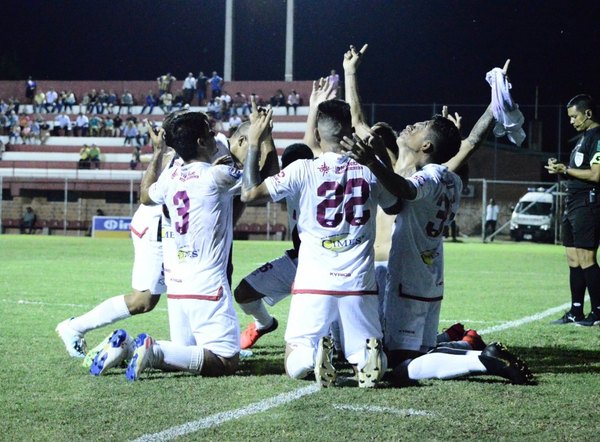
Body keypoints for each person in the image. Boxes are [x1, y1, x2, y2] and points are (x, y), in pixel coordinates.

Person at [343, 46, 532, 385]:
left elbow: (406, 190)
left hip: (408, 279)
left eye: (419, 127)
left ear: (426, 147)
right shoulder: (451, 178)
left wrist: (371, 163)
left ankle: (481, 360)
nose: (411, 126)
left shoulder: (426, 178)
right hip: (431, 279)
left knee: (398, 368)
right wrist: (495, 101)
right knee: (423, 354)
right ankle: (467, 347)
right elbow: (471, 141)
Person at [241, 99, 398, 388]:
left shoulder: (302, 169)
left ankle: (311, 356)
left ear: (315, 133)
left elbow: (249, 194)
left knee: (295, 358)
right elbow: (394, 205)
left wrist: (254, 142)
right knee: (363, 352)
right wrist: (378, 160)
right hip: (359, 282)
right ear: (351, 130)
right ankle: (369, 361)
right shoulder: (369, 170)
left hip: (313, 281)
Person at [124, 111, 242, 381]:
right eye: (210, 134)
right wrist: (257, 142)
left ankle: (127, 349)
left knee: (188, 356)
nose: (215, 137)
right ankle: (153, 349)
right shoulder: (218, 175)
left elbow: (145, 195)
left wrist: (157, 152)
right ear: (201, 142)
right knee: (226, 361)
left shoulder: (169, 178)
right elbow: (253, 185)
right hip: (207, 283)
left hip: (176, 285)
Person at [56, 120, 177, 364]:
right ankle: (74, 327)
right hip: (154, 227)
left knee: (183, 287)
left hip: (167, 228)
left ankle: (206, 346)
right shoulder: (171, 154)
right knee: (143, 300)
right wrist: (160, 151)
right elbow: (149, 193)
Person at [546, 94, 600, 326]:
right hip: (572, 202)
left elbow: (596, 174)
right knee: (572, 257)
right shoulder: (582, 138)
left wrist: (565, 170)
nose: (571, 121)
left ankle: (598, 313)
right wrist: (561, 168)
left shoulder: (597, 137)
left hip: (588, 203)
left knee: (587, 258)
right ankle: (575, 311)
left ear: (588, 114)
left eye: (574, 116)